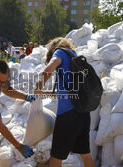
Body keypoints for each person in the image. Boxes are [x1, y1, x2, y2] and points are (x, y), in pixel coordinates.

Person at [34, 37, 95, 167]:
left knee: (56, 157)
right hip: (83, 113)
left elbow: (48, 69)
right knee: (85, 153)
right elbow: (67, 92)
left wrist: (39, 86)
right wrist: (44, 93)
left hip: (68, 115)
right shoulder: (74, 55)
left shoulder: (60, 52)